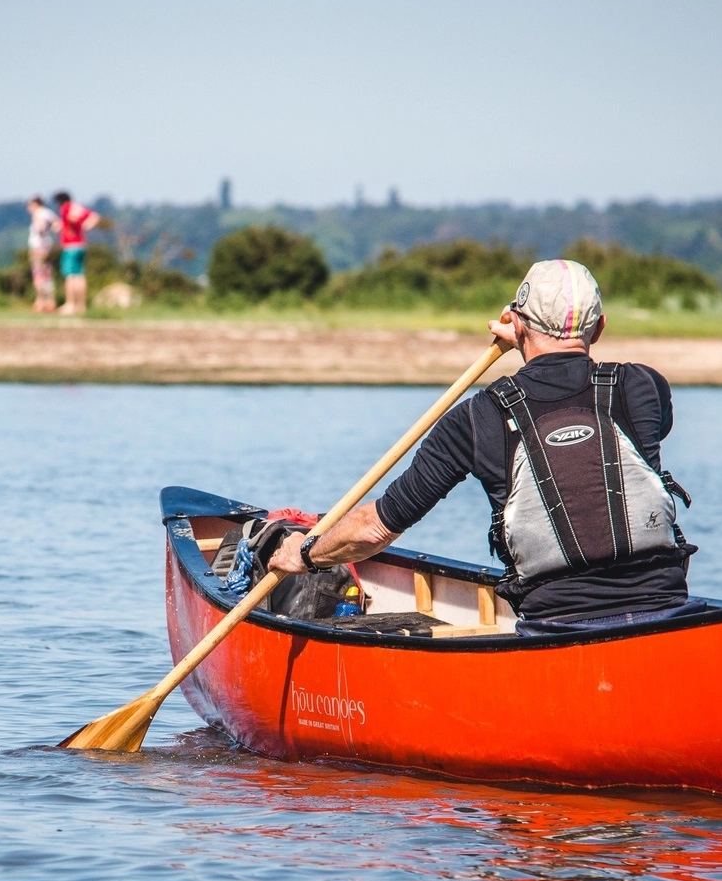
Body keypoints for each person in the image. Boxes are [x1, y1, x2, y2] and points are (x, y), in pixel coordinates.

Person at [268, 258, 698, 633]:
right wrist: (532, 343)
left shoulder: (477, 419)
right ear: (600, 328)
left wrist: (306, 554)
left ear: (517, 322)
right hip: (666, 616)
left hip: (555, 631)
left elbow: (375, 528)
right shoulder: (644, 387)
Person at [51, 190, 101, 315]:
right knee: (79, 275)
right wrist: (85, 225)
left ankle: (70, 304)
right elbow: (95, 216)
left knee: (70, 276)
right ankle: (81, 306)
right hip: (81, 245)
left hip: (70, 246)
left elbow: (72, 219)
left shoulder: (66, 208)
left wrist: (71, 223)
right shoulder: (77, 206)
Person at [26, 196, 60, 313]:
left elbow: (40, 227)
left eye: (30, 205)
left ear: (36, 204)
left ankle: (40, 302)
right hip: (47, 246)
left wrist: (41, 234)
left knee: (38, 275)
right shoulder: (48, 213)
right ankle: (50, 301)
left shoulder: (38, 213)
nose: (28, 208)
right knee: (47, 275)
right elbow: (58, 225)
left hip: (38, 247)